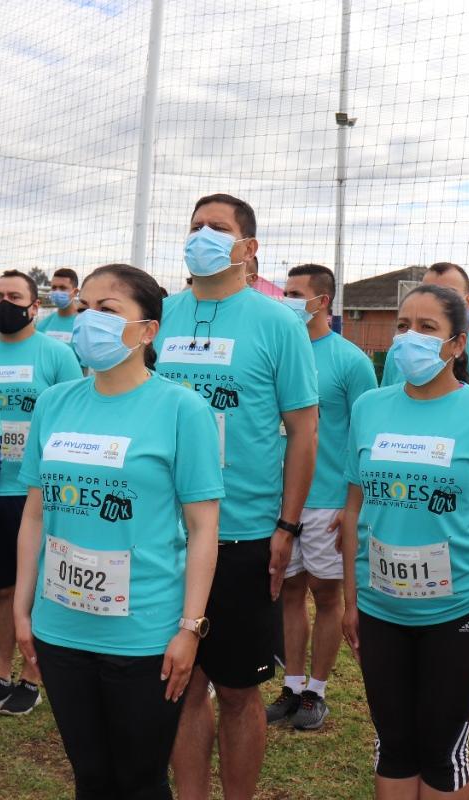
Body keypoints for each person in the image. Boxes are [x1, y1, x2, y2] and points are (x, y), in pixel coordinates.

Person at [14, 263, 223, 799]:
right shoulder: (55, 403)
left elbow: (203, 529)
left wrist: (189, 627)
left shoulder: (183, 409)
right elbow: (35, 513)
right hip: (60, 627)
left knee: (139, 780)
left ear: (148, 329)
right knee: (92, 777)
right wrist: (22, 607)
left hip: (144, 634)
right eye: (84, 308)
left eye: (108, 310)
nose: (89, 321)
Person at [156, 193, 318, 800]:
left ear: (248, 248)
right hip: (164, 533)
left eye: (217, 228)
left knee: (239, 691)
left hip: (243, 532)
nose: (202, 236)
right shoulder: (161, 316)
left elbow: (304, 430)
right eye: (195, 226)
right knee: (183, 685)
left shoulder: (278, 322)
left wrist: (288, 526)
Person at [341, 284, 469, 798]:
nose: (409, 339)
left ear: (457, 344)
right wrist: (353, 600)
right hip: (379, 608)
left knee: (442, 751)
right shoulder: (370, 407)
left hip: (459, 608)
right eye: (402, 326)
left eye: (427, 328)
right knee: (393, 745)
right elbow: (354, 508)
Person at [266, 263, 375, 731]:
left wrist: (358, 503)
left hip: (330, 499)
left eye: (295, 293)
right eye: (285, 291)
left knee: (325, 595)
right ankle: (291, 686)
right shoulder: (276, 351)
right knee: (287, 591)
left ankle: (317, 691)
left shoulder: (351, 360)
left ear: (323, 301)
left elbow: (368, 435)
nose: (287, 299)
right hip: (281, 497)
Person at [0, 269, 81, 715]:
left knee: (34, 587)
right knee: (0, 590)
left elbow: (73, 417)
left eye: (14, 296)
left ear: (35, 307)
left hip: (33, 492)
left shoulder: (56, 354)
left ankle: (32, 677)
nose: (3, 303)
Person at [381, 262, 469, 408]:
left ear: (468, 302)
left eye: (448, 295)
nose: (434, 302)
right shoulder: (399, 351)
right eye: (428, 292)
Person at [38, 268, 81, 345]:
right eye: (54, 288)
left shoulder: (83, 324)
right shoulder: (43, 325)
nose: (57, 292)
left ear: (75, 292)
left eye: (62, 288)